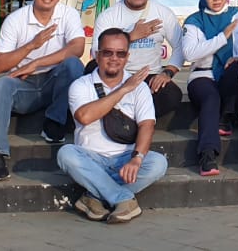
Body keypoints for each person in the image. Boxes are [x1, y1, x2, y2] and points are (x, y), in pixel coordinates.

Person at [0, 0, 84, 181]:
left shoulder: (68, 14)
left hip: (54, 84)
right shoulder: (15, 19)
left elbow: (77, 48)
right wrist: (32, 45)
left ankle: (54, 123)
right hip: (24, 86)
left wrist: (36, 63)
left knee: (73, 65)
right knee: (1, 86)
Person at [58, 28, 170, 223]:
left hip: (125, 159)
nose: (114, 58)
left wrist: (137, 159)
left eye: (120, 54)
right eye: (108, 53)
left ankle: (93, 197)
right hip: (90, 158)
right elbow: (84, 117)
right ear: (97, 55)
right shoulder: (81, 85)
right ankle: (123, 199)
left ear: (127, 57)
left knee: (158, 163)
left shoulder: (140, 87)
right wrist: (123, 90)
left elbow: (147, 125)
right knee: (66, 154)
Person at [90, 0, 182, 118]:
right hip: (117, 74)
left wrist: (167, 73)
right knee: (91, 69)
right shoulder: (109, 16)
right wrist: (131, 36)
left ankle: (132, 120)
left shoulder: (163, 13)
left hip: (149, 75)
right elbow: (96, 52)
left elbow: (180, 46)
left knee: (172, 95)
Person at [179, 0, 238, 176]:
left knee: (237, 68)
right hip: (202, 75)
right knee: (210, 98)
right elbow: (190, 53)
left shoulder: (237, 15)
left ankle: (226, 116)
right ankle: (207, 155)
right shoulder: (194, 21)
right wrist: (222, 37)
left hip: (228, 76)